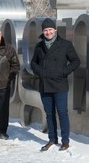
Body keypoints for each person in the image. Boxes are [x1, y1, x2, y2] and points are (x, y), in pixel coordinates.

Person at [31, 18, 80, 151]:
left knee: (62, 112)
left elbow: (76, 61)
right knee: (49, 113)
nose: (48, 32)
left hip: (60, 84)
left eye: (50, 29)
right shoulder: (39, 46)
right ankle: (52, 139)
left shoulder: (65, 44)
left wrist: (63, 72)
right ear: (43, 31)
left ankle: (65, 141)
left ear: (55, 30)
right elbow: (33, 63)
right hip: (45, 84)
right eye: (46, 30)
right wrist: (40, 72)